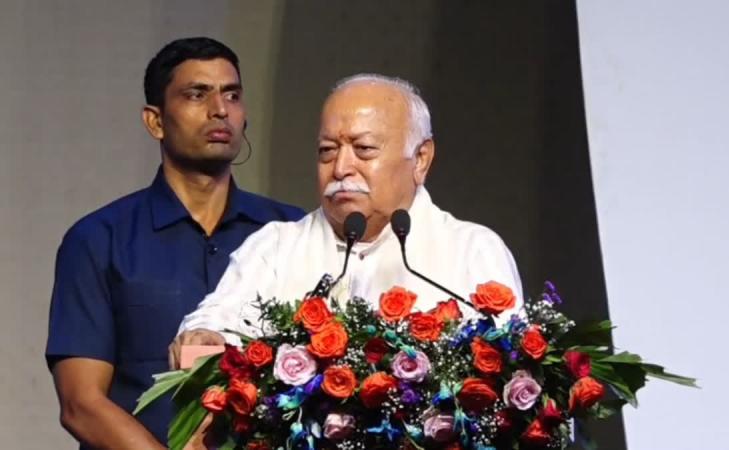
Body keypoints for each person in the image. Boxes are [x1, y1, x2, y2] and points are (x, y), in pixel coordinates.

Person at [45, 37, 304, 449]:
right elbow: (81, 403)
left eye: (232, 95)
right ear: (156, 121)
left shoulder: (291, 233)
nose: (220, 110)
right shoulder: (99, 240)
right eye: (197, 94)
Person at [171, 73, 523, 359]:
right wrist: (203, 338)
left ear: (420, 159)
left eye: (364, 149)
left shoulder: (471, 250)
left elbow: (514, 367)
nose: (340, 168)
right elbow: (212, 324)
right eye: (327, 151)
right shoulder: (275, 247)